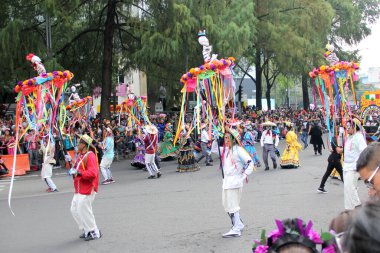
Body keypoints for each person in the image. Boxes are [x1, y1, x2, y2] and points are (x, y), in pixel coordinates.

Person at [66, 134, 101, 241]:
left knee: (84, 209)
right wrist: (69, 161)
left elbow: (93, 173)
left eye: (79, 142)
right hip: (79, 188)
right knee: (74, 209)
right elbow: (75, 168)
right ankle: (86, 229)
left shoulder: (90, 156)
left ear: (85, 145)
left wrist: (79, 172)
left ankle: (94, 231)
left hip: (87, 187)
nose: (77, 144)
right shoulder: (80, 155)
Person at [220, 128, 254, 238]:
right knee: (227, 204)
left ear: (233, 138)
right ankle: (238, 223)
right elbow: (214, 149)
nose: (225, 139)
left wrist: (243, 176)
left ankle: (237, 228)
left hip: (235, 181)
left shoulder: (238, 150)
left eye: (227, 137)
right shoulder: (226, 150)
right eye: (224, 138)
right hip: (226, 181)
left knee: (233, 205)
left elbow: (250, 162)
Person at [343, 118, 367, 210]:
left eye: (349, 126)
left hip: (353, 168)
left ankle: (355, 209)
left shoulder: (359, 137)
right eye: (347, 126)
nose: (347, 128)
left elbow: (364, 151)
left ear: (355, 127)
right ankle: (351, 208)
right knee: (348, 189)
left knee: (350, 188)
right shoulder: (349, 137)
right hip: (346, 167)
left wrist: (359, 164)